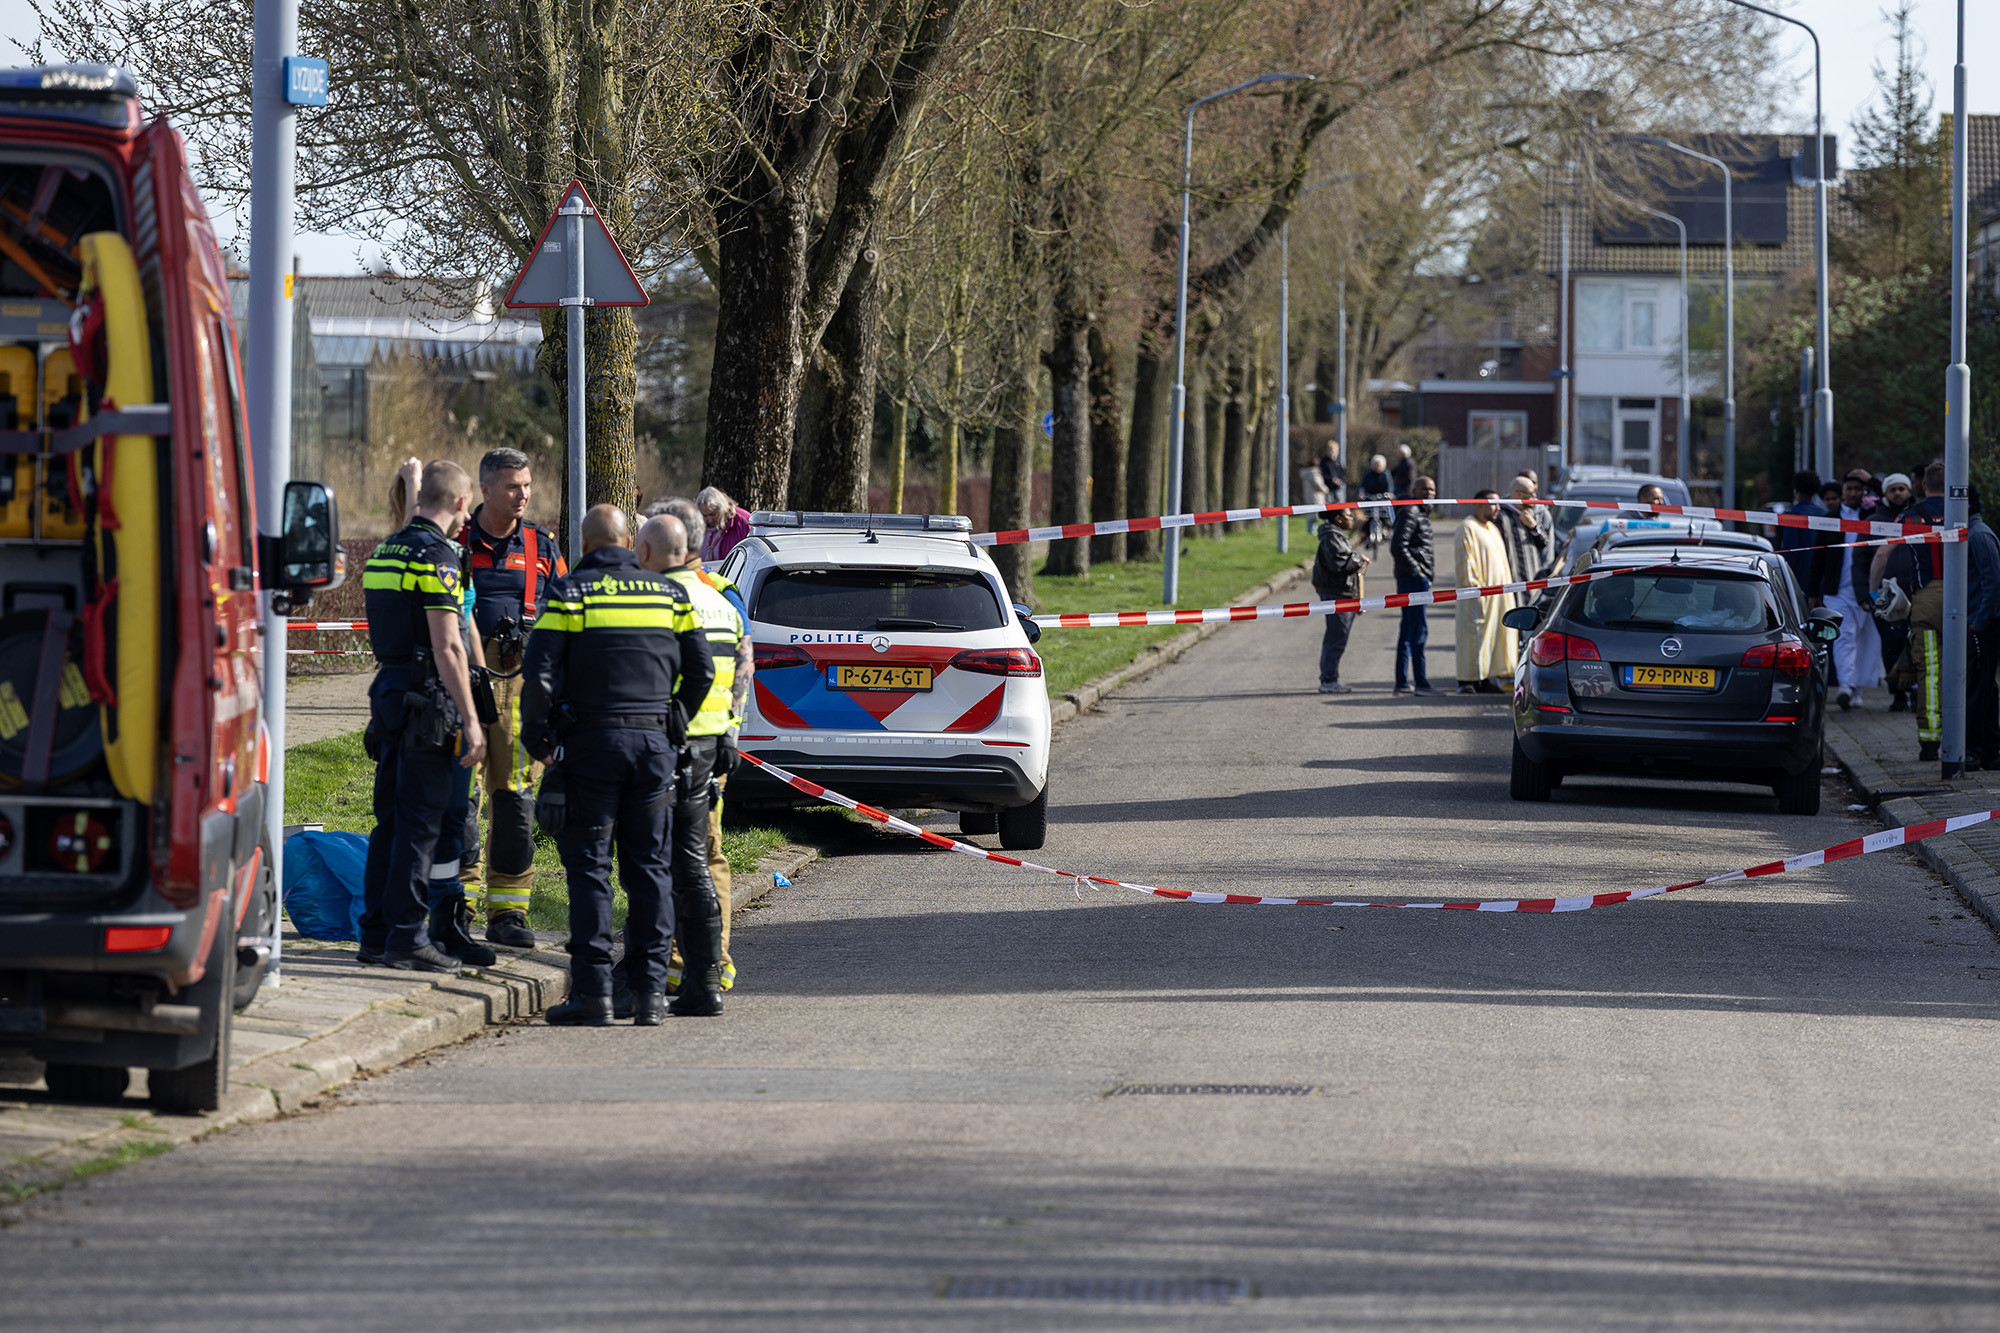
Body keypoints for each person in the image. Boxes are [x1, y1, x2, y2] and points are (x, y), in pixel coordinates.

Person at [521, 506, 715, 1026]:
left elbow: (538, 675)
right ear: (630, 542)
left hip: (591, 746)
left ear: (585, 545)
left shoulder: (569, 593)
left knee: (589, 871)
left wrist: (537, 738)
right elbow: (702, 671)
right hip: (654, 749)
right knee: (649, 870)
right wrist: (674, 719)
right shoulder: (670, 595)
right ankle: (650, 996)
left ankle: (593, 995)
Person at [357, 461, 488, 972]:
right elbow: (448, 644)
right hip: (427, 700)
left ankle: (375, 934)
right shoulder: (437, 557)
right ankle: (408, 939)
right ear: (459, 504)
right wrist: (472, 719)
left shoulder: (386, 549)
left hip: (388, 691)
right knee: (421, 824)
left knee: (388, 820)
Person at [458, 447, 569, 947]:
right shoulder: (456, 540)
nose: (522, 494)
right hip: (463, 680)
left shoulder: (542, 546)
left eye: (526, 485)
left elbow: (567, 608)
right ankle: (456, 903)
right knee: (461, 798)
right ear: (484, 489)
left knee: (514, 799)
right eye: (511, 486)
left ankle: (508, 914)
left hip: (519, 684)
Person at [648, 497, 752, 992]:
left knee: (677, 853)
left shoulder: (662, 596)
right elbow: (743, 672)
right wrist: (732, 730)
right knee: (704, 851)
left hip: (672, 741)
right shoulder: (726, 595)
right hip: (713, 743)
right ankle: (710, 958)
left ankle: (692, 960)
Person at [1811, 469, 1883, 709]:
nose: (1852, 493)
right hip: (1837, 592)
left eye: (1858, 489)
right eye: (1848, 489)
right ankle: (1845, 685)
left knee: (1864, 640)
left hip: (1867, 589)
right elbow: (1817, 559)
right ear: (1842, 493)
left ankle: (1856, 689)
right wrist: (1813, 593)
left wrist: (1869, 479)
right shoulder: (1829, 518)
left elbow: (1894, 499)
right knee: (1844, 637)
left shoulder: (1873, 515)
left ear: (1864, 492)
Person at [1454, 490, 1517, 693]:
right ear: (1479, 505)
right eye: (1493, 504)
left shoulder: (1492, 528)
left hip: (1498, 597)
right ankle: (1468, 680)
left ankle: (1485, 678)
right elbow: (1466, 564)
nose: (1498, 509)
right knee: (1475, 636)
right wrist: (1475, 591)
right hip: (1479, 597)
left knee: (1494, 637)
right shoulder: (1467, 528)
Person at [1869, 472, 1917, 708]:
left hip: (1916, 590)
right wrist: (1868, 593)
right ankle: (1897, 694)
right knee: (1891, 644)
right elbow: (1861, 559)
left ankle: (1917, 691)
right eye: (1893, 489)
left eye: (1902, 489)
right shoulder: (1873, 520)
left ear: (1909, 491)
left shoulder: (1919, 517)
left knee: (1916, 643)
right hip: (1885, 595)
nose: (1898, 493)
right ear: (1885, 493)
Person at [1390, 475, 1441, 696]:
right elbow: (1397, 546)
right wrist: (1418, 571)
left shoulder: (1422, 513)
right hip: (1412, 579)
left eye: (1431, 489)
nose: (1428, 493)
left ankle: (1403, 682)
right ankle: (1420, 682)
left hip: (1417, 578)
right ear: (1414, 490)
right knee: (1417, 630)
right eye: (1423, 489)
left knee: (1409, 629)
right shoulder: (1411, 510)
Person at [1311, 507, 1367, 693]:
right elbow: (1339, 563)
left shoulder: (1337, 534)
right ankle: (1329, 680)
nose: (1352, 518)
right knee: (1337, 637)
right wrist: (1359, 560)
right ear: (1338, 518)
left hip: (1342, 591)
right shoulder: (1332, 536)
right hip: (1337, 592)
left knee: (1338, 636)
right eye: (1348, 515)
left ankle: (1329, 678)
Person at [1495, 472, 1550, 593]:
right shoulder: (1500, 515)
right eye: (1531, 494)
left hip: (1532, 576)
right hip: (1508, 577)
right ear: (1518, 494)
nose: (1535, 497)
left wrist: (1534, 527)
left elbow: (1546, 543)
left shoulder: (1536, 513)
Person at [1776, 470, 1831, 587]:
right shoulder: (1825, 515)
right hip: (1823, 580)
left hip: (1799, 579)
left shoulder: (1794, 515)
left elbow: (1790, 551)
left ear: (1796, 490)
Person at [697, 486, 751, 564]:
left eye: (712, 514)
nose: (709, 519)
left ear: (721, 508)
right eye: (704, 516)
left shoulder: (743, 521)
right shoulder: (699, 524)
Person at [1316, 440, 1344, 506]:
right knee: (1329, 507)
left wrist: (1340, 480)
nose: (1332, 453)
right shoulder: (1324, 462)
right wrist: (1332, 479)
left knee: (1340, 507)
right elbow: (1322, 474)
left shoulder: (1338, 462)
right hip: (1328, 489)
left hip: (1337, 489)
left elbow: (1342, 473)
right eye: (1330, 451)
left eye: (1334, 451)